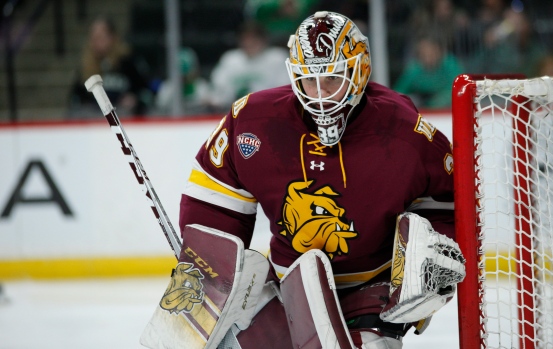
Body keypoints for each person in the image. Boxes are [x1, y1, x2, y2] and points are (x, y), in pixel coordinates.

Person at [174, 11, 464, 349]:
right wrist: (208, 269)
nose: (320, 93)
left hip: (371, 288)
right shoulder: (254, 122)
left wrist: (430, 265)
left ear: (359, 72)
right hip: (287, 288)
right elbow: (213, 203)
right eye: (309, 79)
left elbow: (448, 206)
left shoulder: (406, 134)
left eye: (332, 78)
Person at [68, 16, 152, 118]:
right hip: (94, 118)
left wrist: (135, 99)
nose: (97, 42)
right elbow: (76, 98)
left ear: (112, 37)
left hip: (123, 116)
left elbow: (145, 90)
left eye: (101, 37)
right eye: (94, 38)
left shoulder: (128, 61)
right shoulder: (85, 66)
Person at [207, 21, 290, 112]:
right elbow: (218, 89)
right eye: (245, 39)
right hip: (233, 112)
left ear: (264, 40)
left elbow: (285, 90)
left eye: (254, 39)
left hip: (269, 111)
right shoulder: (230, 59)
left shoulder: (277, 58)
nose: (249, 43)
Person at [393, 36, 464, 109]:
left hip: (447, 110)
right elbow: (398, 92)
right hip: (421, 108)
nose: (427, 57)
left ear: (440, 51)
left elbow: (460, 89)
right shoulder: (414, 69)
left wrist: (438, 101)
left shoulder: (450, 65)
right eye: (423, 53)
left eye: (431, 52)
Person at [154, 47, 211, 115]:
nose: (185, 79)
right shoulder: (168, 88)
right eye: (182, 76)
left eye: (187, 75)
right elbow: (159, 109)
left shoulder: (201, 87)